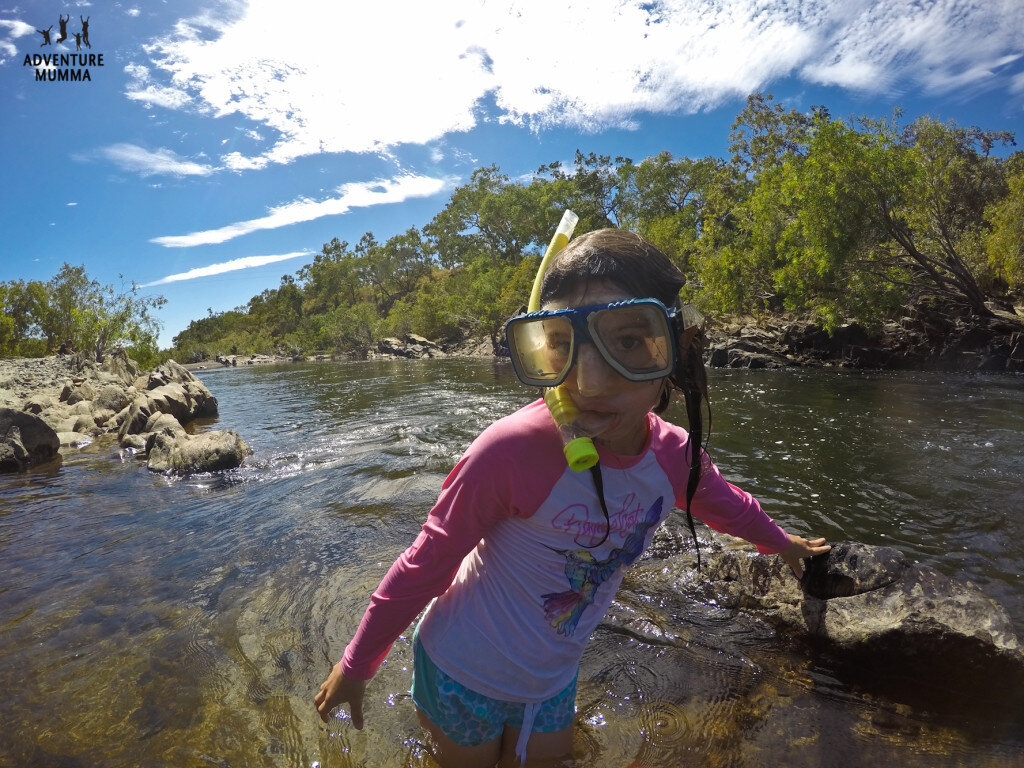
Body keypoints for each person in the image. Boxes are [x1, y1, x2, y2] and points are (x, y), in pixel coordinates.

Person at [315, 227, 830, 767]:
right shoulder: (510, 452)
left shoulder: (673, 457)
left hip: (552, 678)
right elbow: (430, 560)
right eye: (561, 345)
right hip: (461, 666)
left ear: (676, 350)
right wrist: (355, 666)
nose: (588, 382)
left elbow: (725, 505)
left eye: (628, 341)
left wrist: (783, 545)